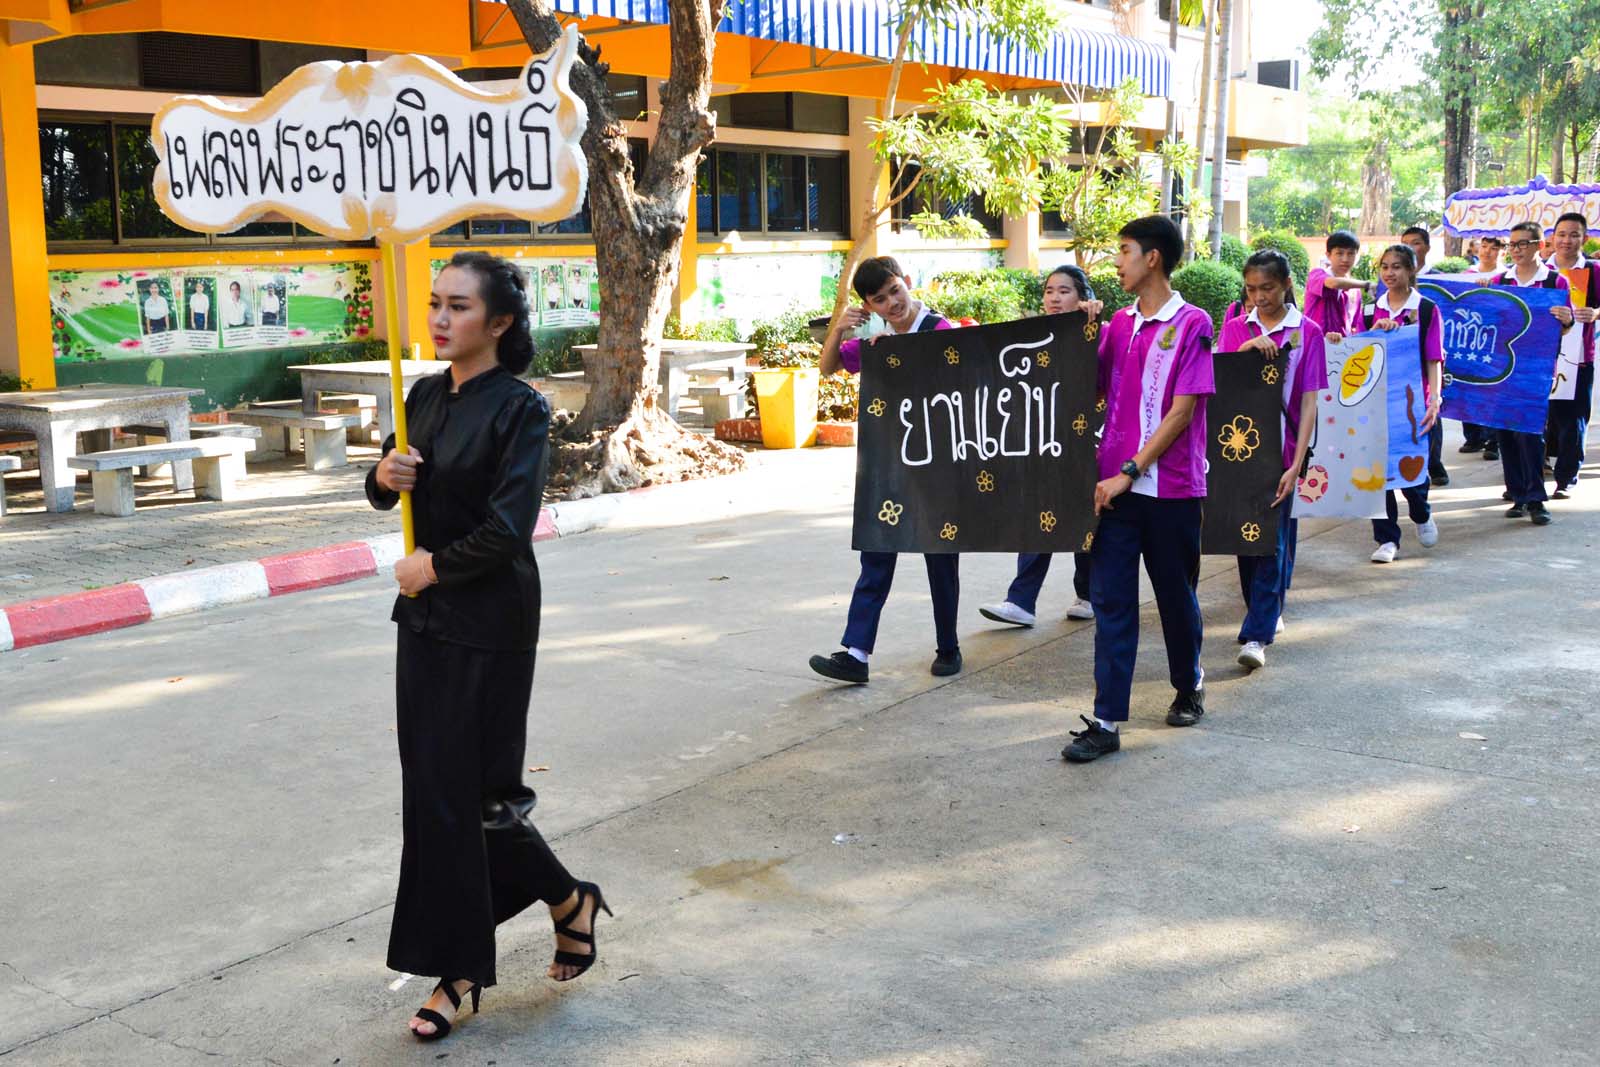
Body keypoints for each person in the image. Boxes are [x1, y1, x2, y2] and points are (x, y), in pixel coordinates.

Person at [368, 251, 608, 1043]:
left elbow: (508, 528)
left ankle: (462, 972)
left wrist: (432, 566)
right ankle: (567, 900)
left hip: (491, 621)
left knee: (479, 799)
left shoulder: (522, 409)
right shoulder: (422, 394)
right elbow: (390, 487)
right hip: (425, 620)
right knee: (434, 797)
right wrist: (385, 475)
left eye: (459, 306)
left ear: (499, 322)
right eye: (435, 302)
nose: (440, 318)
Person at [1061, 216, 1214, 764]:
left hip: (1172, 490)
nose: (1116, 261)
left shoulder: (1193, 323)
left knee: (1175, 596)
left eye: (1123, 250)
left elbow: (1183, 410)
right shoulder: (1118, 326)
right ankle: (1105, 722)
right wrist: (1080, 332)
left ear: (1152, 258)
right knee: (1111, 603)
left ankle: (1189, 684)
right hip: (1115, 493)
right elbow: (1085, 387)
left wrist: (1131, 468)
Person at [810, 256, 961, 684]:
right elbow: (827, 366)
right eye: (880, 299)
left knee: (940, 558)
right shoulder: (877, 340)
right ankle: (855, 654)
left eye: (895, 290)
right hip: (889, 464)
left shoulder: (939, 329)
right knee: (876, 553)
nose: (893, 302)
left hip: (935, 464)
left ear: (907, 282)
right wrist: (840, 328)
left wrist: (898, 357)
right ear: (869, 306)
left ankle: (948, 647)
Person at [1217, 250, 1326, 670]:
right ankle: (1264, 610)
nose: (1259, 297)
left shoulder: (1308, 332)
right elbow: (1219, 386)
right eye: (1251, 289)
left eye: (1268, 288)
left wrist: (1296, 463)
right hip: (1238, 450)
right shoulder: (1234, 329)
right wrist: (1245, 350)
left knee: (1273, 542)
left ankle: (1257, 634)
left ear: (1287, 286)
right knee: (1247, 541)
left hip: (1282, 452)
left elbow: (1309, 400)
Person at [979, 264, 1103, 629]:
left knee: (1087, 519)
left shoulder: (1100, 331)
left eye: (1064, 291)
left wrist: (1094, 324)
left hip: (1088, 441)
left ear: (1083, 297)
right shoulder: (1031, 337)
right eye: (1049, 291)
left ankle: (1088, 594)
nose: (1054, 298)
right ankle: (1021, 601)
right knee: (1038, 516)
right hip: (1043, 444)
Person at [1486, 220, 1575, 526]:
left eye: (1522, 243)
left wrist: (1566, 319)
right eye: (1511, 244)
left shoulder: (1554, 282)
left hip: (1536, 368)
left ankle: (1536, 498)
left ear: (1539, 245)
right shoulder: (1500, 280)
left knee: (1530, 433)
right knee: (1505, 431)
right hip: (1502, 369)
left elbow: (1565, 326)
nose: (1516, 250)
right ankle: (1517, 494)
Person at [1366, 244, 1445, 562]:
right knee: (1377, 472)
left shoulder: (1425, 310)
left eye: (1397, 266)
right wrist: (1373, 332)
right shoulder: (1371, 310)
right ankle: (1386, 539)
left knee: (1411, 467)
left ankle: (1421, 513)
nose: (1389, 273)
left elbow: (1433, 358)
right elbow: (1359, 351)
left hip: (1413, 404)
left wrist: (1434, 399)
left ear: (1411, 270)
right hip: (1375, 404)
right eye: (1385, 266)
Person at [1545, 212, 1598, 499]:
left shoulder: (1594, 271)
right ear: (1552, 237)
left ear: (1585, 238)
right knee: (1542, 416)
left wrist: (1596, 313)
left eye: (1574, 234)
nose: (1567, 240)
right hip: (1540, 356)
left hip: (1578, 357)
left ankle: (1566, 478)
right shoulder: (1539, 270)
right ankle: (1529, 476)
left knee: (1574, 418)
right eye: (1562, 234)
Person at [1398, 226, 1448, 485]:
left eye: (1415, 243)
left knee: (1429, 415)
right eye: (1405, 242)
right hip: (1395, 379)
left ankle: (1433, 465)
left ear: (1427, 247)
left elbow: (1433, 356)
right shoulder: (1379, 299)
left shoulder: (1440, 282)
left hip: (1426, 367)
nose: (1410, 247)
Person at [1462, 238, 1506, 457]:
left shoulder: (1506, 276)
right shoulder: (1466, 275)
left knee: (1493, 390)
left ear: (1503, 251)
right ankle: (1473, 437)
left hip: (1496, 340)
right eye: (1484, 246)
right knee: (1468, 386)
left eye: (1494, 248)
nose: (1488, 251)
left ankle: (1494, 441)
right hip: (1469, 339)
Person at [1304, 230, 1374, 344]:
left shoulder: (1355, 290)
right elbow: (1334, 284)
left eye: (1350, 254)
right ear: (1328, 255)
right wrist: (1367, 285)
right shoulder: (1316, 275)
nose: (1345, 259)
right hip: (1315, 345)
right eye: (1339, 253)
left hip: (1343, 348)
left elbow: (1354, 325)